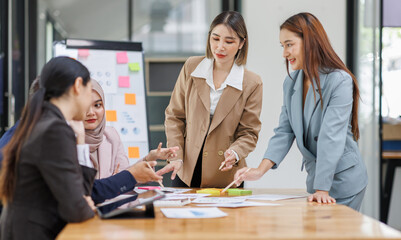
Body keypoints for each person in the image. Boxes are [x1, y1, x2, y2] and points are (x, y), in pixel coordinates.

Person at [234, 12, 368, 211]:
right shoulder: (291, 83)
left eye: (289, 44)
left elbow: (330, 136)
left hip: (344, 180)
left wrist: (322, 188)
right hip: (318, 184)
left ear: (310, 42)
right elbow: (284, 132)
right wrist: (259, 171)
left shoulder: (339, 81)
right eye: (282, 46)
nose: (284, 53)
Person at [0, 78, 178, 206]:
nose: (90, 112)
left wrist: (145, 162)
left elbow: (116, 180)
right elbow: (86, 191)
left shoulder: (109, 136)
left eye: (98, 105)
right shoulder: (50, 140)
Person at [157, 11, 263, 188]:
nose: (220, 47)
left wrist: (235, 152)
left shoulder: (252, 83)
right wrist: (176, 155)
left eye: (229, 41)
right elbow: (175, 117)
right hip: (185, 168)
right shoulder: (191, 67)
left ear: (241, 43)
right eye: (215, 39)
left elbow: (249, 132)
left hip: (225, 174)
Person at [0, 57, 96, 239]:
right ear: (78, 85)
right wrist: (85, 206)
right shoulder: (54, 129)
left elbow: (78, 192)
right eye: (90, 90)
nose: (90, 100)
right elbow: (76, 208)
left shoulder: (42, 121)